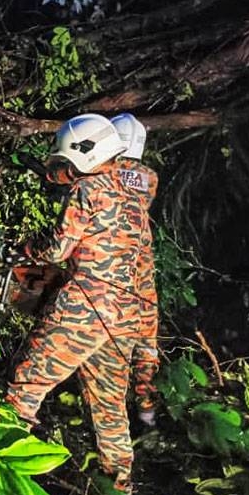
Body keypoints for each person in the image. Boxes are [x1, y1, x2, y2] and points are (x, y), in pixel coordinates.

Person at [4, 113, 147, 495]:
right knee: (109, 409)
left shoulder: (88, 191)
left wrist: (30, 248)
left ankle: (1, 469)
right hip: (123, 314)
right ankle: (121, 490)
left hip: (85, 306)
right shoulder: (135, 192)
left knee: (26, 385)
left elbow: (58, 249)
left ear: (83, 153)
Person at [110, 113, 160, 428]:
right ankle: (147, 414)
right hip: (143, 271)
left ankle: (112, 418)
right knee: (146, 345)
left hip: (113, 268)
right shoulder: (150, 178)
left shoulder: (106, 171)